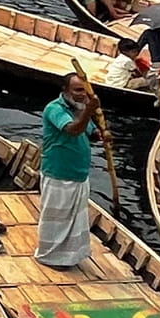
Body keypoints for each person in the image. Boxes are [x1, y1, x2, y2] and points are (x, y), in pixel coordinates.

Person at [36, 73, 101, 268]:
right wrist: (90, 110)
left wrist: (100, 133)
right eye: (77, 90)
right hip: (59, 172)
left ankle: (69, 256)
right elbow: (72, 129)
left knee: (74, 219)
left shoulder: (78, 109)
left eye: (85, 90)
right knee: (56, 219)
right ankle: (49, 256)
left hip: (78, 173)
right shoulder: (55, 109)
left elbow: (89, 133)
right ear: (66, 91)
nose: (82, 95)